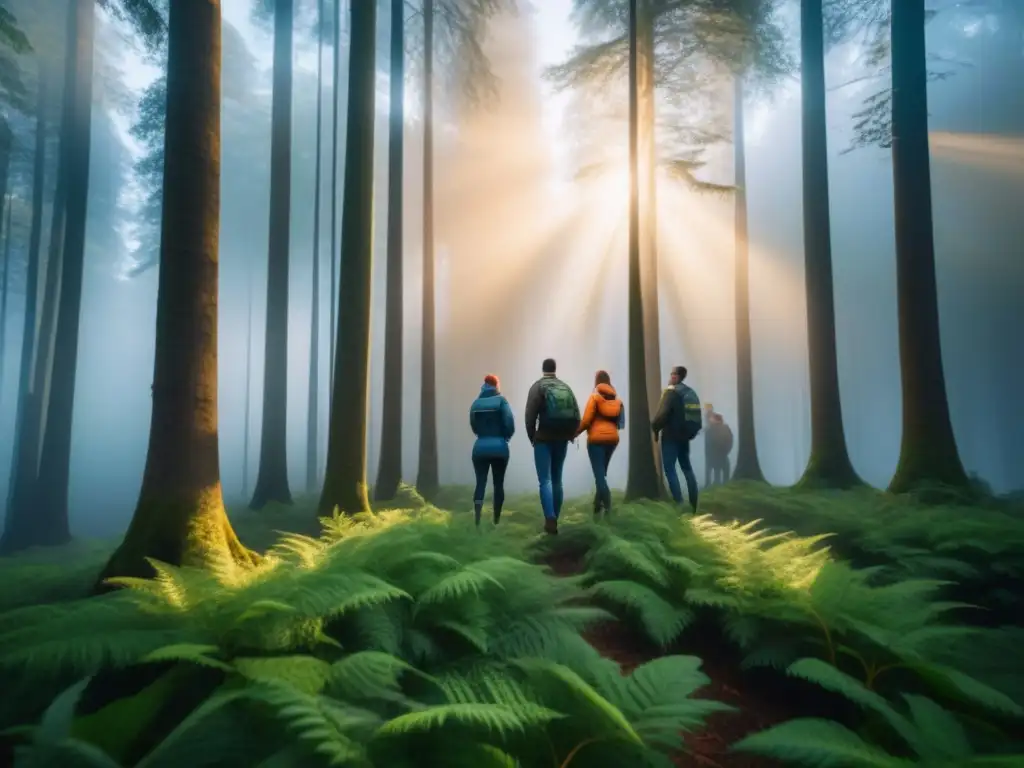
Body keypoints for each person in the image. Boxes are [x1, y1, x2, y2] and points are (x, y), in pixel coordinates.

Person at [525, 358, 581, 534]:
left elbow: (530, 414)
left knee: (545, 480)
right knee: (557, 479)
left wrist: (532, 436)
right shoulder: (565, 387)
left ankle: (549, 518)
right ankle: (555, 516)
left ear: (543, 369)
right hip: (562, 439)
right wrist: (571, 434)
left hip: (543, 438)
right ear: (555, 369)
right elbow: (577, 414)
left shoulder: (537, 387)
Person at [651, 365, 702, 513]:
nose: (670, 376)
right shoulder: (688, 392)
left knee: (669, 468)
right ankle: (693, 503)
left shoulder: (671, 393)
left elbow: (663, 414)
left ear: (676, 376)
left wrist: (654, 427)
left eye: (672, 374)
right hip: (684, 437)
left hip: (670, 437)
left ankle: (679, 502)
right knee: (687, 468)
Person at [574, 370, 625, 517]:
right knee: (601, 474)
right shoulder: (618, 402)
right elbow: (621, 424)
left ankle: (608, 508)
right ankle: (597, 508)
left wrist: (575, 433)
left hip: (596, 441)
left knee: (599, 475)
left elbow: (586, 421)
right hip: (612, 441)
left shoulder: (594, 398)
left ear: (597, 382)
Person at [469, 374, 515, 527]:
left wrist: (482, 436)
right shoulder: (501, 401)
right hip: (499, 449)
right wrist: (505, 437)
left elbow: (474, 426)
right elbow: (509, 423)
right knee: (498, 484)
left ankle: (477, 520)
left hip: (480, 448)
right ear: (496, 385)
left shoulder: (475, 403)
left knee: (480, 483)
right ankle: (496, 520)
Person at [705, 410, 734, 486]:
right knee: (722, 470)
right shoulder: (723, 428)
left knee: (716, 470)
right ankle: (722, 484)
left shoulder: (711, 430)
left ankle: (713, 484)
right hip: (721, 455)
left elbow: (708, 445)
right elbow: (730, 441)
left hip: (718, 455)